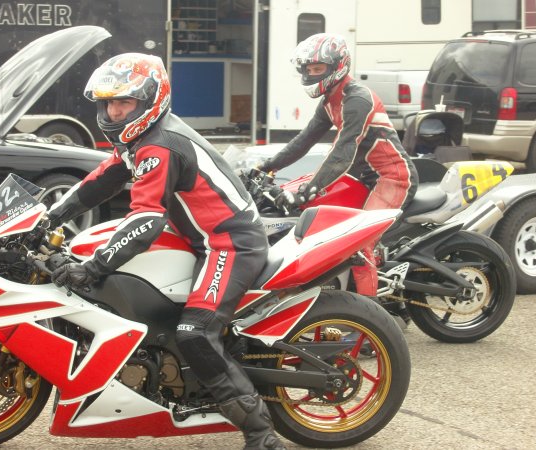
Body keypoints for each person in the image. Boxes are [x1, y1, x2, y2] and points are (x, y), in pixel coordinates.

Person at [47, 53, 285, 450]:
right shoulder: (140, 139)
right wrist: (49, 216)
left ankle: (261, 434)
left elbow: (146, 220)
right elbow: (101, 180)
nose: (114, 112)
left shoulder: (159, 146)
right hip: (196, 236)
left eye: (124, 102)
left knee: (195, 332)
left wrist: (94, 267)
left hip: (228, 241)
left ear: (149, 101)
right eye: (109, 103)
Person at [259, 33, 418, 297]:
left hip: (392, 177)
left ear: (337, 66)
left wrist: (307, 190)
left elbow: (342, 153)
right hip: (362, 177)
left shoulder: (357, 99)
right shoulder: (329, 101)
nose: (312, 74)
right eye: (308, 69)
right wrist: (266, 167)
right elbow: (304, 141)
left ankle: (368, 314)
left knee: (358, 244)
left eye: (318, 68)